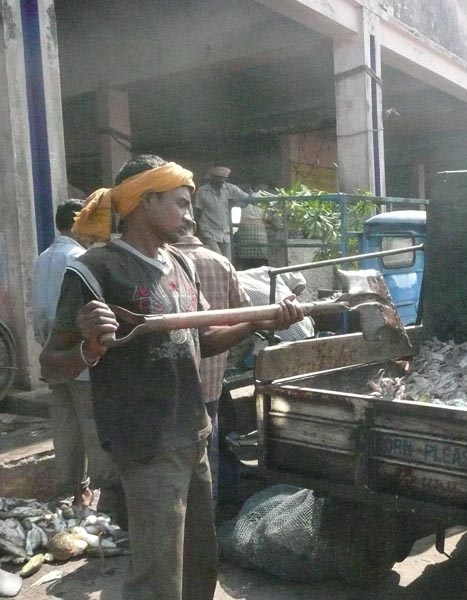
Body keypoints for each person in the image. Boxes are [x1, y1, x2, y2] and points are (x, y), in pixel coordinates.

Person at [39, 154, 302, 600]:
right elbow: (50, 363)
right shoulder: (95, 269)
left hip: (193, 432)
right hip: (145, 442)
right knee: (158, 575)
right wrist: (89, 349)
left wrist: (257, 322)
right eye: (180, 203)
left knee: (199, 563)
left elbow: (203, 341)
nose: (190, 215)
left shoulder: (180, 263)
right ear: (145, 201)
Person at [32, 200, 118, 511]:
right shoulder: (81, 260)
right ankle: (104, 495)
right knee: (93, 427)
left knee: (65, 428)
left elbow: (39, 310)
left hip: (53, 357)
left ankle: (70, 491)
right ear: (76, 223)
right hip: (81, 358)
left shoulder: (42, 258)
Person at [173, 224, 250, 506]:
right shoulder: (220, 262)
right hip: (211, 378)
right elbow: (245, 314)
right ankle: (209, 510)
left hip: (171, 381)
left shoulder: (163, 264)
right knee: (206, 454)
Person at [193, 165, 248, 260]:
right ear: (212, 177)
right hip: (209, 231)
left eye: (224, 178)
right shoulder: (203, 191)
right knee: (217, 259)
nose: (222, 180)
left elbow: (247, 199)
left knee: (227, 262)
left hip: (226, 233)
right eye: (219, 178)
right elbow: (198, 211)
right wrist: (196, 231)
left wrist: (238, 204)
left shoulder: (230, 188)